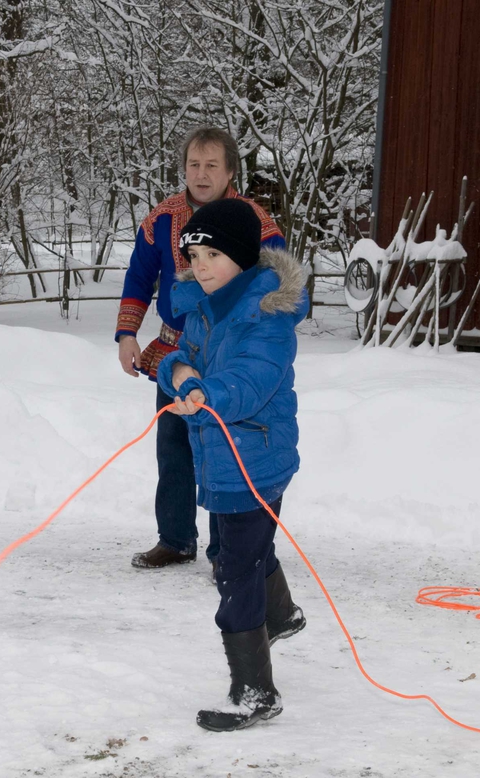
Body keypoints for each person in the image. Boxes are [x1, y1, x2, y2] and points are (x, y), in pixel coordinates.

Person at [156, 198, 308, 731]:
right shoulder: (204, 307)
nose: (200, 265)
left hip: (255, 460)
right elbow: (181, 358)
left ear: (243, 257)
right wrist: (178, 372)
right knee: (244, 548)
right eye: (193, 253)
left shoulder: (266, 317)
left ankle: (254, 692)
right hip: (220, 458)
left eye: (213, 254)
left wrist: (206, 393)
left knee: (235, 568)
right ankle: (283, 614)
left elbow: (250, 382)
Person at [116, 126, 287, 571]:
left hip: (231, 355)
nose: (201, 173)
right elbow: (139, 277)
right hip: (179, 353)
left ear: (230, 169)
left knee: (225, 451)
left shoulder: (255, 221)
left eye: (212, 165)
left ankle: (224, 551)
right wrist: (128, 333)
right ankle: (175, 538)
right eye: (194, 164)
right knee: (173, 448)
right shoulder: (162, 219)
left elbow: (279, 280)